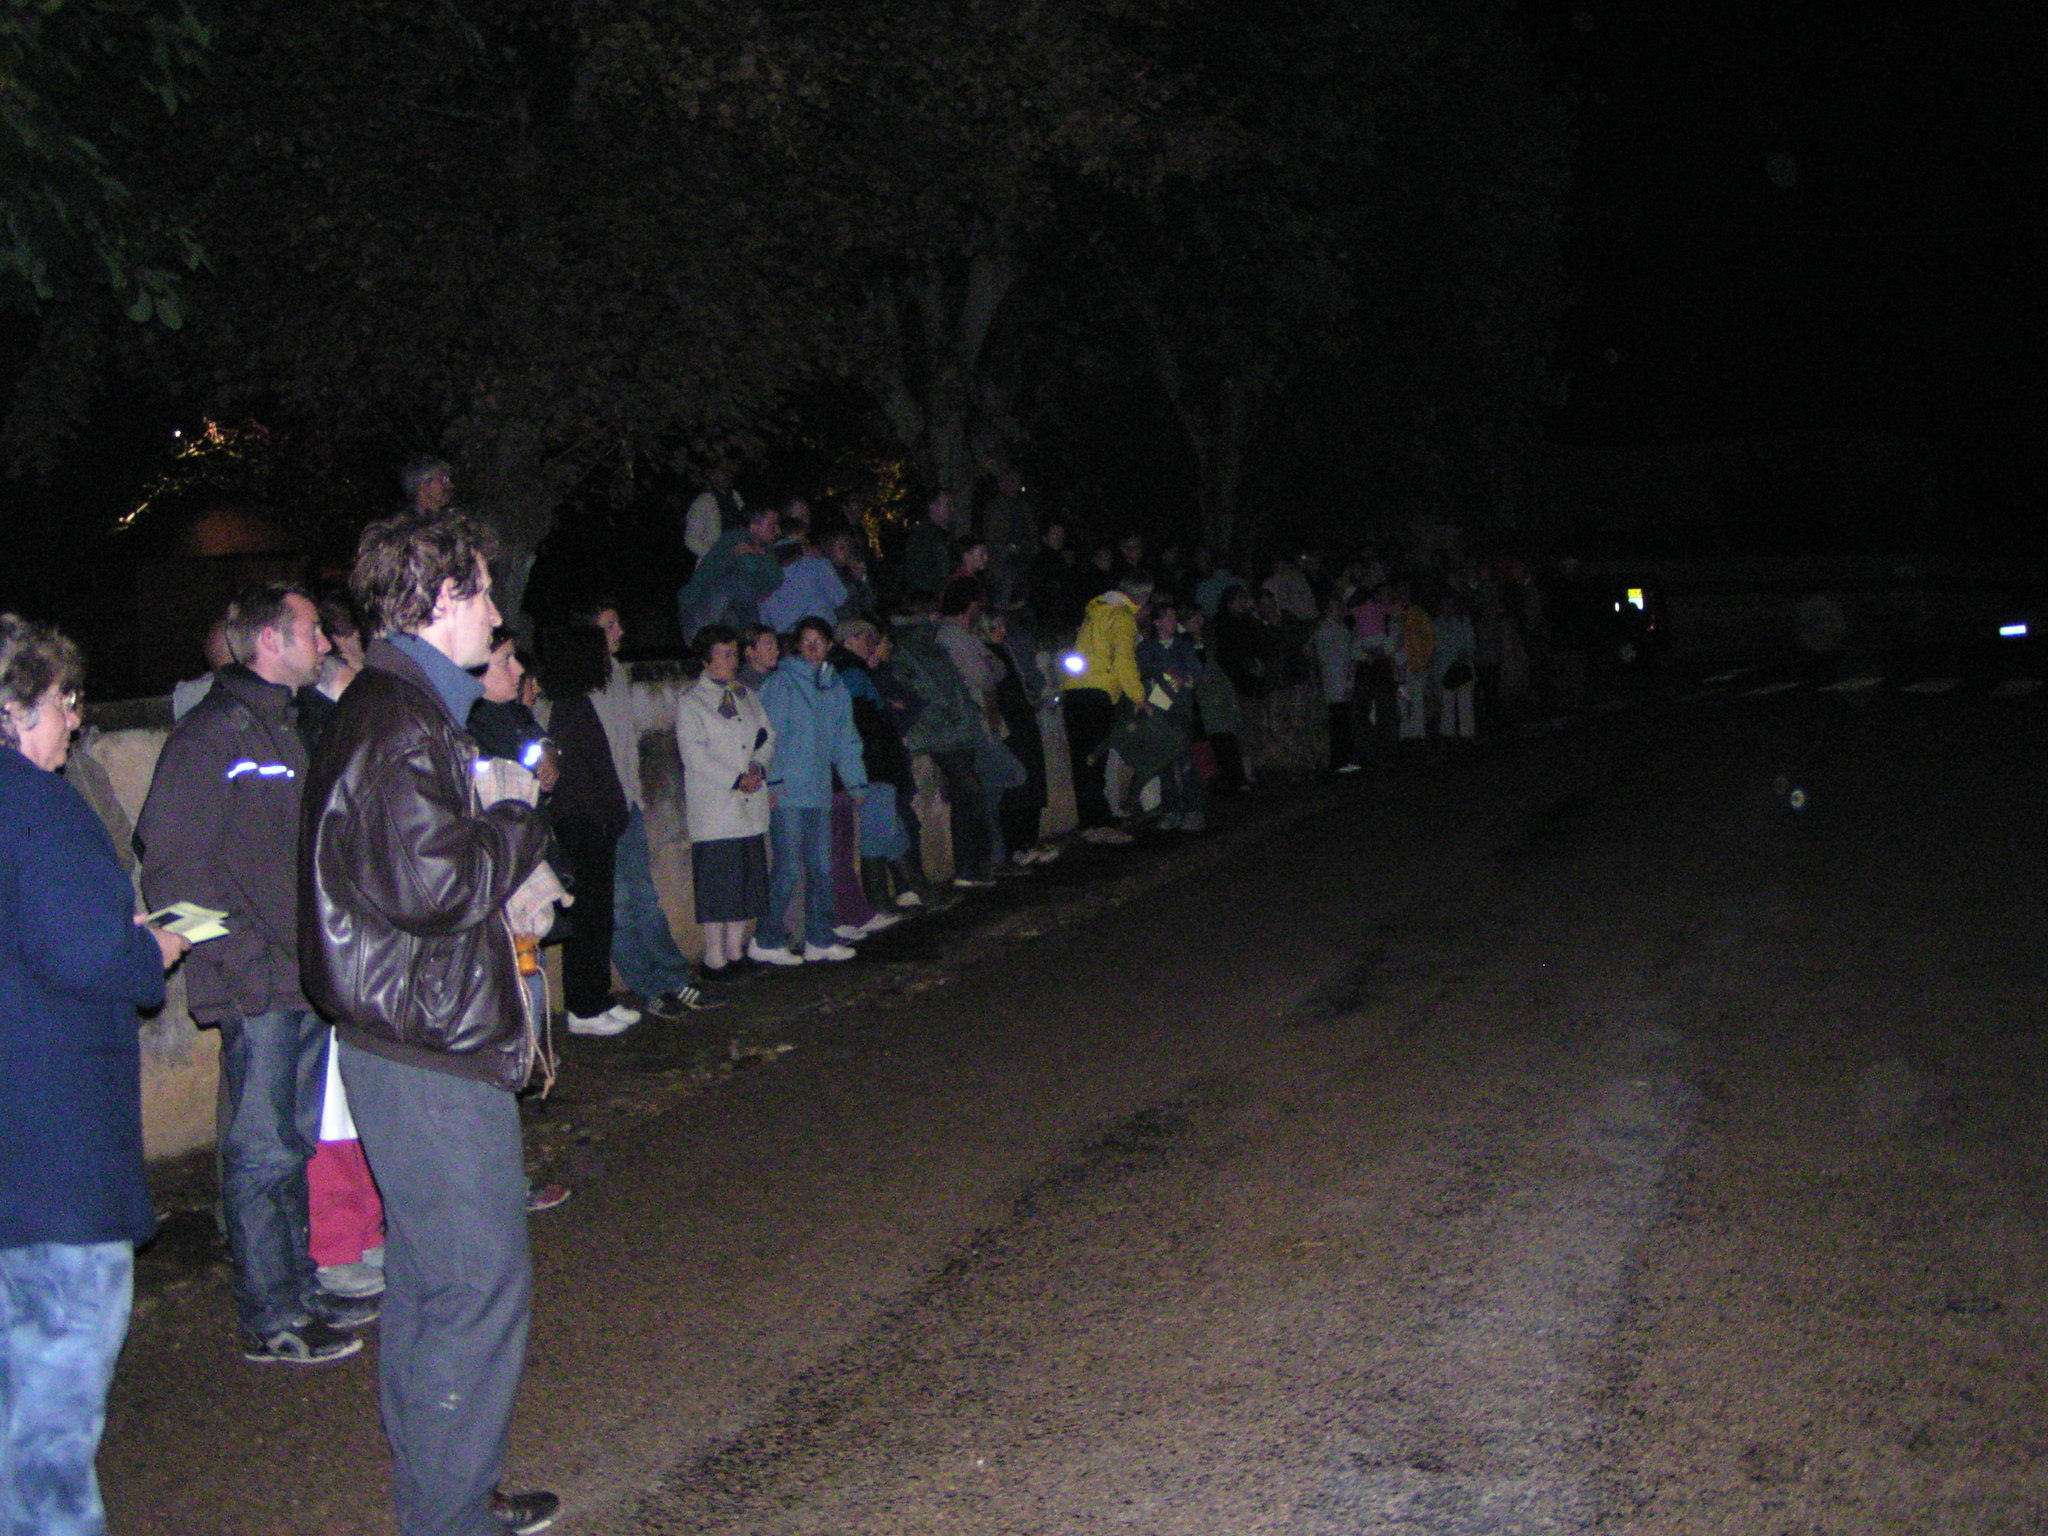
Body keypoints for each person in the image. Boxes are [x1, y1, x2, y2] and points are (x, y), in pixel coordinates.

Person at [300, 510, 560, 1536]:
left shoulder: (395, 707)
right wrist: (515, 817)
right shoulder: (399, 718)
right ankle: (449, 1516)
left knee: (428, 1280)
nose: (498, 617)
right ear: (444, 600)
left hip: (401, 1035)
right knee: (475, 1285)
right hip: (426, 1044)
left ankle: (440, 1494)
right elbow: (434, 880)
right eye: (487, 596)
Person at [136, 584, 387, 1364]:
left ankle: (300, 1288)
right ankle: (269, 1313)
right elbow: (169, 879)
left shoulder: (285, 725)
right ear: (272, 642)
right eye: (313, 631)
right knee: (261, 1152)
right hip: (263, 987)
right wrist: (238, 959)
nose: (325, 644)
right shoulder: (214, 735)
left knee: (294, 1147)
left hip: (301, 980)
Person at [1, 614, 188, 1536]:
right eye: (63, 701)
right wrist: (152, 947)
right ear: (15, 705)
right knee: (51, 1423)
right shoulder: (34, 807)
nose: (75, 721)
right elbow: (86, 954)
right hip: (51, 1162)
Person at [582, 603, 704, 1019]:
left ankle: (673, 976)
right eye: (609, 625)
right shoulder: (574, 683)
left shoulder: (618, 674)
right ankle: (647, 985)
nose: (620, 630)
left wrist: (635, 793)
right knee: (618, 905)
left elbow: (628, 744)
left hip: (627, 805)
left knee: (646, 897)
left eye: (618, 621)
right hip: (597, 811)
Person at [539, 625, 643, 1037]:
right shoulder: (568, 708)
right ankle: (584, 1006)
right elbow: (575, 775)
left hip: (593, 823)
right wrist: (604, 813)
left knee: (597, 915)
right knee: (587, 917)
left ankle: (596, 998)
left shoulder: (576, 704)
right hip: (584, 826)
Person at [750, 616, 868, 964]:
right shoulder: (782, 683)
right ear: (798, 646)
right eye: (807, 642)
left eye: (820, 642)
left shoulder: (834, 687)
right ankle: (766, 938)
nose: (814, 649)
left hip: (817, 790)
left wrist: (856, 782)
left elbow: (845, 740)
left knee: (823, 867)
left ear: (830, 645)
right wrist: (770, 782)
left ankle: (819, 937)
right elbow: (765, 736)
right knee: (787, 869)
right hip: (786, 791)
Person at [674, 625, 776, 982]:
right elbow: (693, 754)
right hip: (716, 807)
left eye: (735, 652)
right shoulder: (692, 702)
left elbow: (766, 735)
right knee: (719, 884)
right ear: (706, 658)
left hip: (749, 803)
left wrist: (758, 766)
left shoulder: (747, 695)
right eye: (725, 653)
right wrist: (735, 778)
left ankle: (736, 950)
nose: (733, 660)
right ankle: (714, 957)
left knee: (746, 880)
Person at [1059, 572, 1151, 844]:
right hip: (1097, 693)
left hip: (1074, 691)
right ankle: (1099, 824)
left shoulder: (1096, 612)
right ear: (1141, 596)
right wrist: (1139, 697)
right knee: (1094, 761)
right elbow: (1124, 660)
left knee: (1083, 761)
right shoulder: (1122, 617)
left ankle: (1091, 822)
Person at [676, 502, 784, 644]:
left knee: (747, 592)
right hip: (699, 605)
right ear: (754, 526)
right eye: (771, 525)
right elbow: (749, 567)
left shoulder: (765, 548)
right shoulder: (735, 537)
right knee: (737, 583)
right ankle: (704, 642)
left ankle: (752, 644)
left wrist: (759, 555)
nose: (776, 530)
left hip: (728, 614)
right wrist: (760, 565)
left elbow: (777, 579)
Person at [760, 509, 850, 633]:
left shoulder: (764, 563)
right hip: (820, 626)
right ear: (800, 535)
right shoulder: (815, 559)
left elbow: (763, 609)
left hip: (785, 634)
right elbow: (839, 597)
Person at [899, 491, 957, 603]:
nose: (952, 510)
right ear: (933, 506)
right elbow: (915, 574)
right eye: (948, 505)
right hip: (927, 601)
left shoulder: (944, 536)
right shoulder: (923, 537)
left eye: (953, 505)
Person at [682, 463, 745, 563]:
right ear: (711, 476)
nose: (726, 476)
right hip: (715, 564)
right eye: (722, 472)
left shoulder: (736, 497)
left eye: (728, 472)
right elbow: (691, 539)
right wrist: (717, 554)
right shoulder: (703, 502)